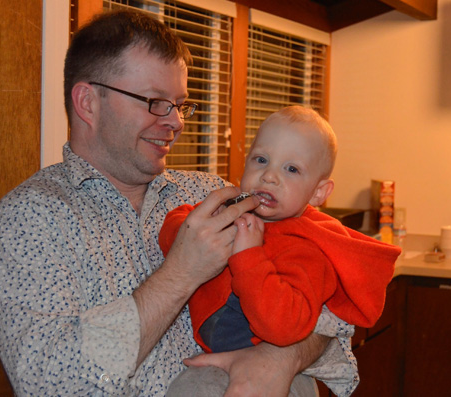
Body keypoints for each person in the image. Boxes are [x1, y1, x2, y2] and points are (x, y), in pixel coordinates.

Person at [0, 9, 358, 396]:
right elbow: (51, 384)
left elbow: (335, 319)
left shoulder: (214, 195)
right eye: (155, 101)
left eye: (179, 104)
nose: (176, 121)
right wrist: (181, 272)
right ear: (88, 102)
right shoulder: (29, 220)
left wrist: (280, 360)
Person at [159, 106, 401, 360]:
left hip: (254, 365)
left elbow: (284, 329)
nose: (270, 176)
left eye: (292, 169)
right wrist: (195, 234)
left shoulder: (307, 249)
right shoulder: (231, 207)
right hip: (205, 354)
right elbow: (175, 230)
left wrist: (248, 255)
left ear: (319, 192)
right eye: (261, 160)